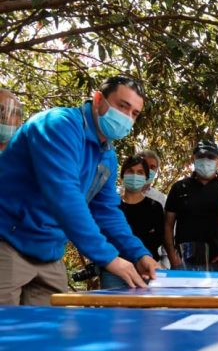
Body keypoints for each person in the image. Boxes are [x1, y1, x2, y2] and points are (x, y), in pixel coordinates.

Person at [0, 76, 159, 305]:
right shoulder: (57, 125)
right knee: (5, 333)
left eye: (134, 113)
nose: (126, 117)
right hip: (8, 243)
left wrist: (139, 254)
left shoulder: (108, 156)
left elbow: (107, 212)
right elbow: (65, 196)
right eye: (122, 106)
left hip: (50, 254)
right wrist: (109, 258)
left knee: (47, 336)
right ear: (97, 99)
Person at [164, 139, 218, 270]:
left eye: (211, 157)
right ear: (193, 159)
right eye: (200, 156)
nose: (205, 160)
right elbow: (168, 225)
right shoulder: (179, 188)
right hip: (184, 262)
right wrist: (172, 257)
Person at [101, 155, 165, 288]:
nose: (135, 175)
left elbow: (158, 240)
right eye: (130, 171)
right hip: (114, 270)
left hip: (146, 271)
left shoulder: (155, 207)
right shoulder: (111, 207)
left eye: (140, 172)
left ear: (146, 178)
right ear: (122, 175)